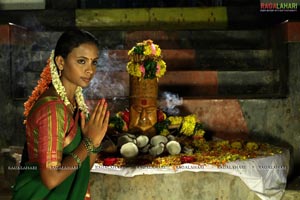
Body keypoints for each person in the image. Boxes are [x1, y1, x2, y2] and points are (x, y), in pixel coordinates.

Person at [12, 28, 110, 200]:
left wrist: (94, 141)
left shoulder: (75, 105)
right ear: (61, 62)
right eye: (81, 61)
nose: (90, 70)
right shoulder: (52, 109)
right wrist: (87, 143)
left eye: (94, 62)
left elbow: (83, 165)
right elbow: (51, 178)